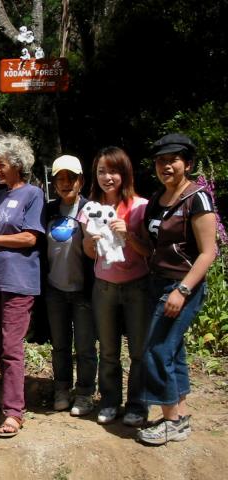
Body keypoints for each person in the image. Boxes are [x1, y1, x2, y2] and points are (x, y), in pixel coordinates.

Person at [136, 134, 216, 445]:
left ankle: (169, 421)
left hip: (182, 285)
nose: (166, 165)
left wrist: (181, 291)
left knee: (157, 350)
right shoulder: (157, 198)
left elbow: (208, 252)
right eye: (160, 160)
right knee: (174, 350)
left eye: (173, 159)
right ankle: (179, 415)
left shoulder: (197, 199)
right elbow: (151, 247)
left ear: (188, 163)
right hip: (157, 282)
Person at [0, 134, 45, 437]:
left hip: (19, 282)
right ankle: (7, 399)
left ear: (17, 164)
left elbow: (30, 237)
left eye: (1, 165)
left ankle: (14, 412)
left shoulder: (33, 194)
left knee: (12, 347)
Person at [80, 146, 151, 427]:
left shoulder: (141, 206)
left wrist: (129, 236)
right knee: (108, 350)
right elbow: (88, 253)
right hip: (104, 286)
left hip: (137, 286)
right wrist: (89, 244)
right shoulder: (91, 209)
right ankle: (109, 401)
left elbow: (149, 251)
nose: (107, 177)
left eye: (113, 171)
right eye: (101, 171)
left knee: (138, 351)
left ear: (125, 173)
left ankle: (137, 404)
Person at [43, 155, 97, 415]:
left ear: (81, 181)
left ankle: (85, 392)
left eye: (71, 178)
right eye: (60, 179)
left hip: (83, 292)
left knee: (85, 347)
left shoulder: (91, 209)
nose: (65, 184)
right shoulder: (48, 211)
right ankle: (61, 388)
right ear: (54, 183)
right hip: (55, 290)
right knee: (60, 345)